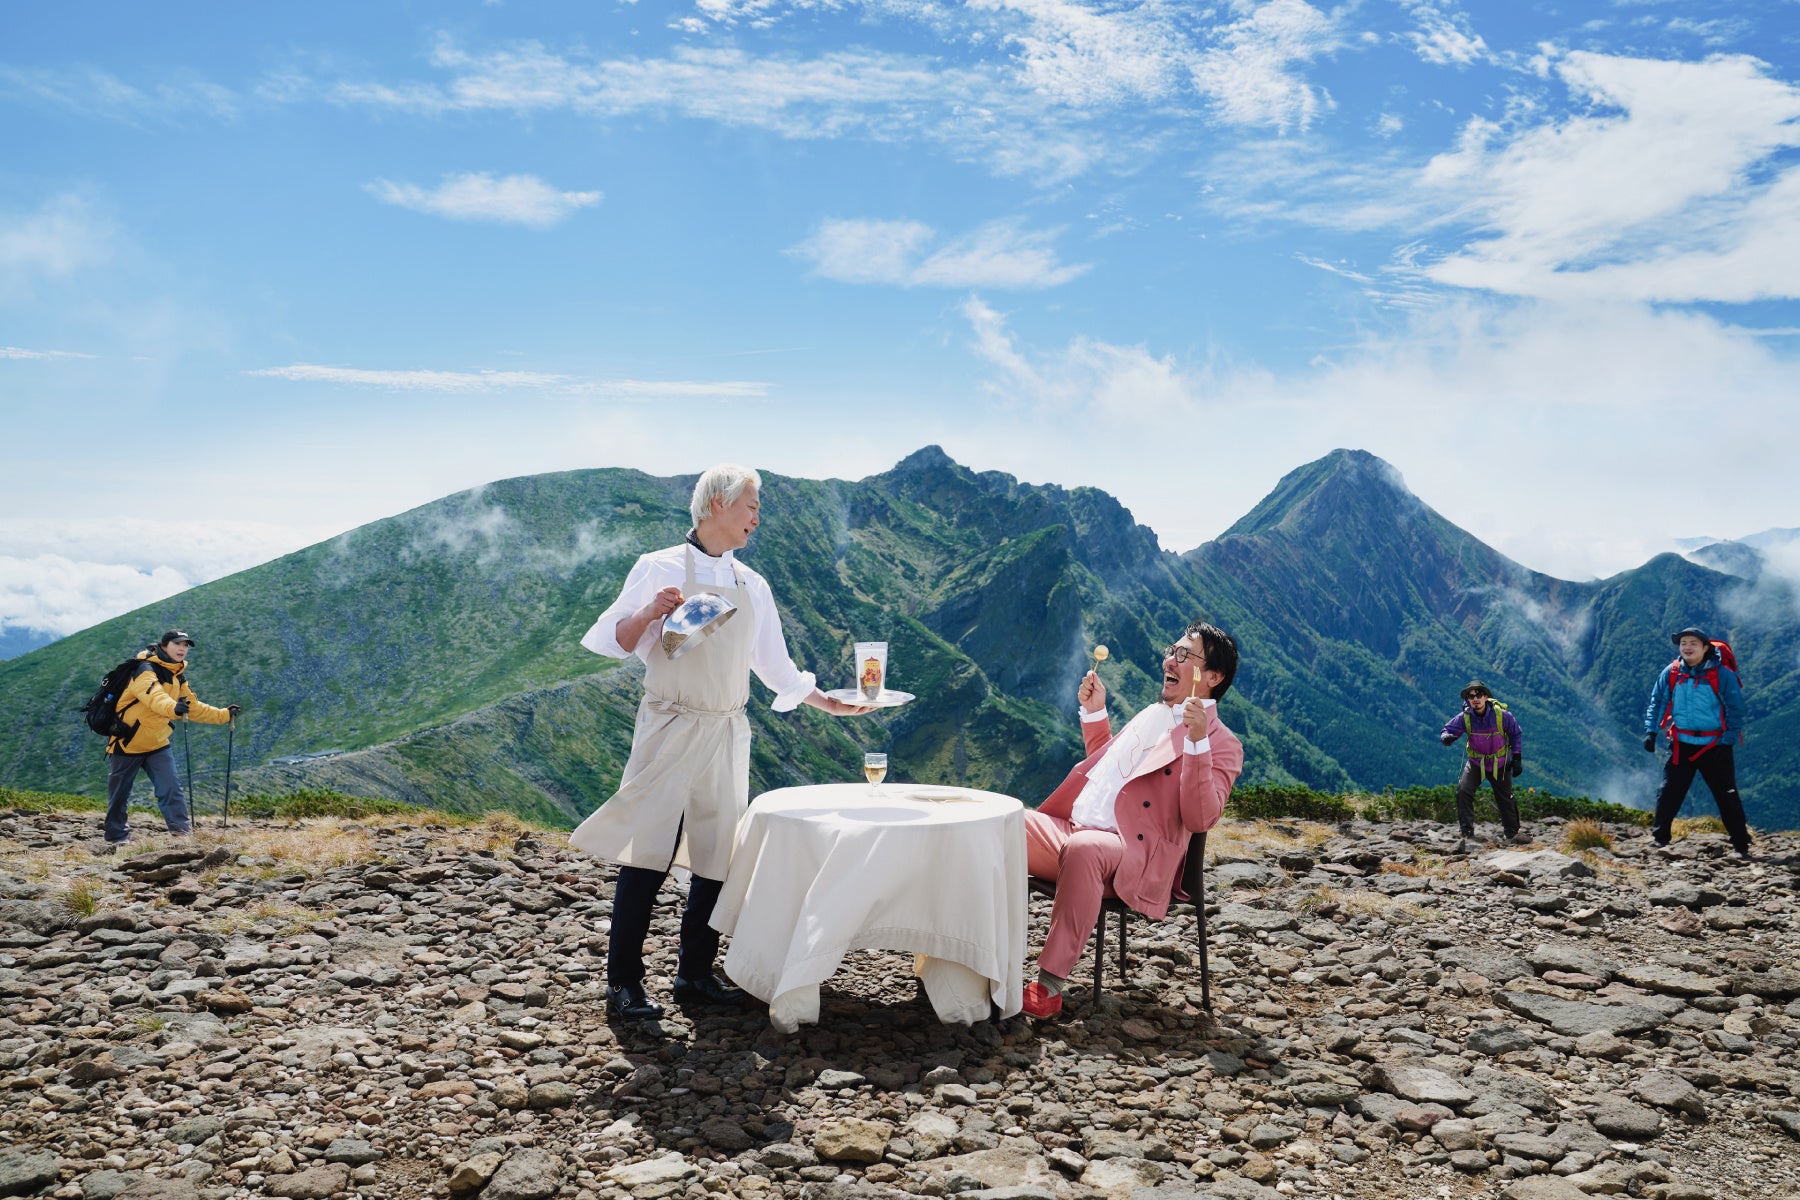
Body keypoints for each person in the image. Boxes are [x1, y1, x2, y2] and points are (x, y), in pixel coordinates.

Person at [570, 464, 874, 1021]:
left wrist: (831, 703)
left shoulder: (752, 584)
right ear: (717, 503)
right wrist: (650, 611)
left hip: (726, 728)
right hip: (669, 725)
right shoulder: (658, 566)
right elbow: (614, 640)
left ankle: (694, 973)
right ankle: (623, 982)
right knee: (648, 853)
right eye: (751, 506)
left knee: (717, 855)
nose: (757, 517)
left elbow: (776, 667)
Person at [1020, 621, 1244, 1020]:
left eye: (1183, 655)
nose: (1169, 660)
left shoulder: (1222, 742)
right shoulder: (1154, 713)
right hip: (1073, 829)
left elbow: (1201, 817)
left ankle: (1048, 986)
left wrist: (1197, 744)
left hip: (1130, 854)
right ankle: (966, 959)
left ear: (1213, 677)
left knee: (1085, 849)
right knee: (998, 821)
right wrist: (1095, 712)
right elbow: (1115, 771)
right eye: (1170, 650)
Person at [101, 630, 238, 848]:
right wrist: (174, 708)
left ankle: (182, 837)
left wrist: (224, 715)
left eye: (186, 645)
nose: (182, 649)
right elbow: (155, 698)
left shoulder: (177, 675)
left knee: (171, 789)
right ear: (164, 646)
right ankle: (116, 839)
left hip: (157, 743)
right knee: (119, 795)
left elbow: (193, 707)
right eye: (177, 644)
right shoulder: (143, 670)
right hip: (127, 743)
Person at [1642, 626, 1751, 858]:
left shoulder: (1722, 675)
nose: (1687, 647)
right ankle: (1660, 839)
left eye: (1693, 643)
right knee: (1669, 792)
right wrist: (1651, 731)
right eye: (1683, 643)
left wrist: (1727, 742)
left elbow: (1736, 710)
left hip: (1714, 746)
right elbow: (1658, 701)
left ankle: (1741, 845)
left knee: (1726, 795)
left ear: (1705, 648)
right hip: (1681, 744)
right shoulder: (1672, 672)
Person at [1439, 680, 1525, 843]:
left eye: (1478, 694)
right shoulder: (1465, 717)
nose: (1475, 699)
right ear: (1468, 700)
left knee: (1505, 797)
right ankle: (1466, 832)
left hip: (1500, 763)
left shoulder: (1502, 716)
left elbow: (1516, 733)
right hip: (1476, 763)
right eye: (1471, 696)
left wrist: (1517, 758)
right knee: (1463, 791)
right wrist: (1446, 738)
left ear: (1486, 697)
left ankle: (1512, 833)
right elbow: (1447, 729)